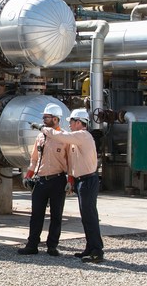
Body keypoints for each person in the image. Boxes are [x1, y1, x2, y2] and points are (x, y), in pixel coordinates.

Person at [37, 108, 104, 263]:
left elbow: (61, 135)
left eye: (72, 122)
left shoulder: (82, 135)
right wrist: (71, 179)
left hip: (88, 180)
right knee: (86, 217)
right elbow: (73, 161)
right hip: (83, 181)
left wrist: (43, 129)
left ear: (79, 122)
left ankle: (97, 251)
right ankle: (90, 247)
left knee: (90, 216)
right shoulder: (77, 139)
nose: (70, 125)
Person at [18, 103, 70, 257]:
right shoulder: (40, 137)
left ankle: (52, 246)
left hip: (58, 180)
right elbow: (34, 159)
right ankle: (32, 245)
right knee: (36, 215)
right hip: (41, 181)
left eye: (46, 117)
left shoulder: (65, 138)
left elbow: (71, 162)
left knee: (56, 215)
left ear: (55, 119)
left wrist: (70, 181)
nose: (43, 120)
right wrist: (28, 176)